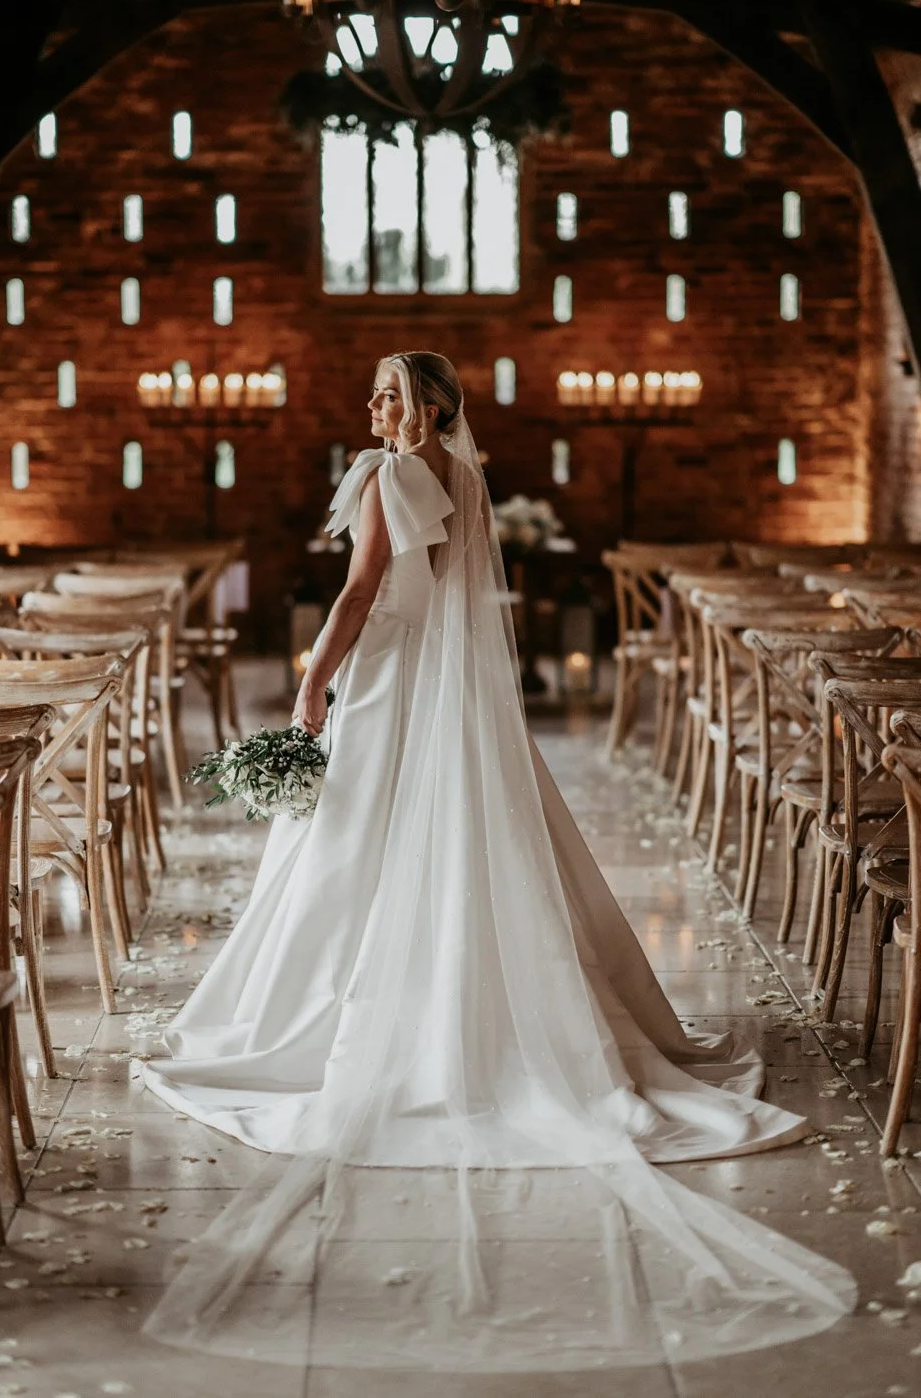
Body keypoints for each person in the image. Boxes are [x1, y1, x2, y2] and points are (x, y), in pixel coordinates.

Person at [142, 352, 854, 1371]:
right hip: (440, 693)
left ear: (430, 407)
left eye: (390, 394)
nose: (373, 406)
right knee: (428, 838)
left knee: (352, 845)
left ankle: (343, 1008)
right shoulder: (465, 477)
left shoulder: (393, 473)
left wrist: (311, 687)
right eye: (374, 392)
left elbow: (357, 595)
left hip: (389, 682)